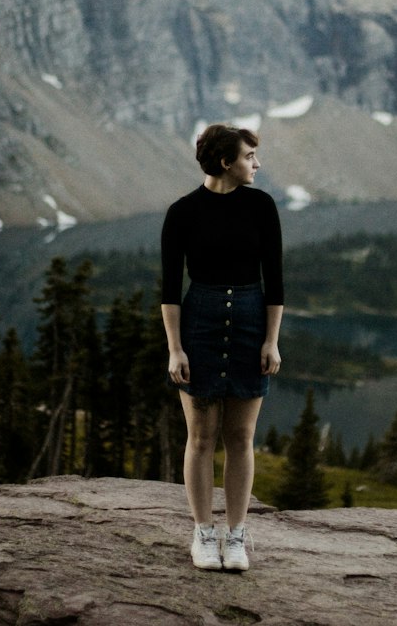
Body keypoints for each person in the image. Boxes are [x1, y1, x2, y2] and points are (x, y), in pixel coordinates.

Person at [161, 123, 284, 572]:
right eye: (250, 156)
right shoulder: (182, 212)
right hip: (200, 324)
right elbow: (170, 289)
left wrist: (271, 340)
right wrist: (175, 349)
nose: (257, 163)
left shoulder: (262, 207)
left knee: (241, 437)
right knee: (201, 437)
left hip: (253, 321)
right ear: (225, 162)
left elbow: (276, 281)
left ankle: (235, 536)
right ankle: (202, 534)